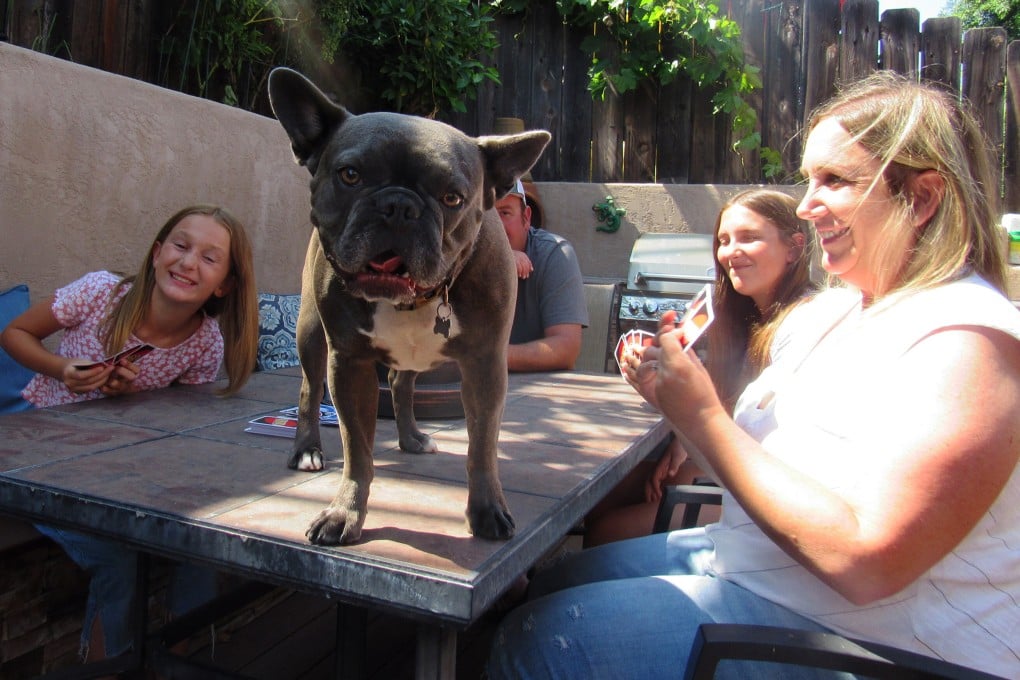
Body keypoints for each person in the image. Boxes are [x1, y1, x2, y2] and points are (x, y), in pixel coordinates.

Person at [487, 71, 1020, 679]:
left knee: (534, 639)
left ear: (921, 198)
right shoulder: (841, 309)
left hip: (877, 645)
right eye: (808, 180)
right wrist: (674, 400)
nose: (806, 203)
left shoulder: (966, 339)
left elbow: (867, 561)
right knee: (554, 579)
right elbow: (764, 451)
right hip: (755, 566)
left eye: (835, 181)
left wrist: (703, 418)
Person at [1, 204, 259, 663]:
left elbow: (179, 425)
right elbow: (16, 332)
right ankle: (108, 669)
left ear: (225, 284)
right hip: (40, 462)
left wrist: (128, 396)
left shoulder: (204, 342)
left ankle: (176, 660)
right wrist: (63, 369)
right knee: (119, 557)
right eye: (180, 246)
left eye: (209, 257)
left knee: (201, 539)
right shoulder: (101, 293)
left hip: (115, 468)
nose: (187, 262)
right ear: (157, 252)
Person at [584, 188, 815, 546]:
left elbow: (767, 448)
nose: (731, 252)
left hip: (761, 499)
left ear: (795, 247)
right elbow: (722, 404)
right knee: (600, 496)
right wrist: (680, 442)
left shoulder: (806, 324)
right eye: (723, 240)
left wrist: (685, 443)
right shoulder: (741, 318)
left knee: (606, 531)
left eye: (749, 238)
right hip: (719, 470)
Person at [496, 179, 588, 372]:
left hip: (540, 392)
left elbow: (566, 350)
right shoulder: (455, 257)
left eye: (505, 213)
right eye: (486, 216)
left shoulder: (555, 254)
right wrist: (496, 263)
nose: (495, 226)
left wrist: (486, 359)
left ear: (526, 217)